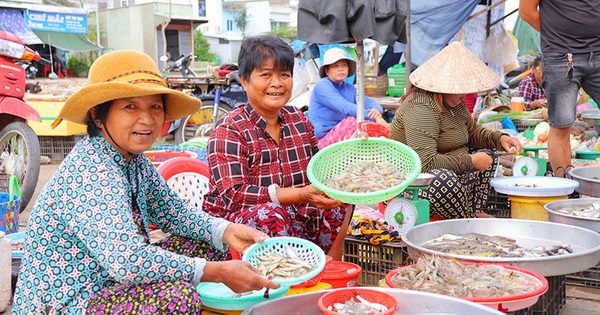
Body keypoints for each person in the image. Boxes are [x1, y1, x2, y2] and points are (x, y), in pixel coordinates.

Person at [12, 50, 278, 315]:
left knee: (210, 245)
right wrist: (216, 273)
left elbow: (174, 212)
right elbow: (127, 260)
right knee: (177, 299)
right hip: (69, 304)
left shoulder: (131, 159)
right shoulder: (92, 170)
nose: (147, 119)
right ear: (97, 114)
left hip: (109, 285)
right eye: (130, 106)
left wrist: (227, 230)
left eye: (155, 106)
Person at [202, 35, 352, 261]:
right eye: (265, 74)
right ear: (244, 80)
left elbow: (319, 173)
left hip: (293, 220)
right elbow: (234, 196)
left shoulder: (298, 120)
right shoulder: (230, 129)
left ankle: (330, 267)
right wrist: (300, 194)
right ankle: (282, 279)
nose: (277, 83)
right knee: (269, 214)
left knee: (341, 198)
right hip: (236, 231)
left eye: (284, 74)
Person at [389, 42, 522, 219]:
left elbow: (473, 133)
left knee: (488, 154)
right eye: (461, 88)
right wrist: (470, 161)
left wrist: (500, 138)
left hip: (452, 174)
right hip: (411, 184)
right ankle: (466, 219)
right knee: (444, 179)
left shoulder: (454, 103)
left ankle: (474, 210)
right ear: (444, 85)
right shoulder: (421, 107)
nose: (465, 94)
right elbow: (425, 163)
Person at [520, 0, 600, 177]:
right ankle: (565, 189)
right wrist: (557, 35)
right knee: (562, 125)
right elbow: (526, 12)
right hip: (561, 57)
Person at [307, 47, 388, 149]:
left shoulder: (349, 88)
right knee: (354, 120)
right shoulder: (322, 86)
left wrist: (377, 111)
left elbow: (367, 101)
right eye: (335, 66)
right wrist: (374, 117)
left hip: (341, 136)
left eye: (344, 65)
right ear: (327, 71)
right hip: (322, 140)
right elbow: (345, 107)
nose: (340, 69)